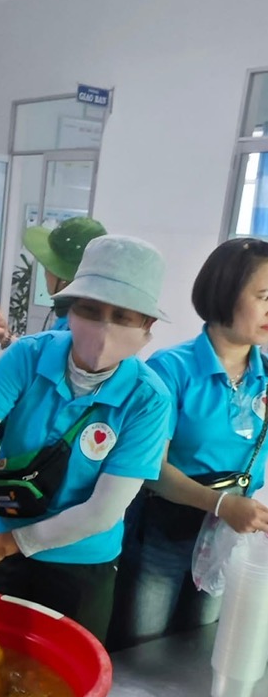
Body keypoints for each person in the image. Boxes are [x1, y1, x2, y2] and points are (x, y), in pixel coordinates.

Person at [0, 235, 171, 644]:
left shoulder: (148, 400)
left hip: (81, 564)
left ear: (146, 327)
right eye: (91, 310)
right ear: (70, 308)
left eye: (122, 316)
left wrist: (9, 544)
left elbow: (102, 511)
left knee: (65, 667)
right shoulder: (28, 357)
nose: (103, 328)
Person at [109, 238, 268, 650]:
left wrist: (232, 511)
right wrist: (220, 504)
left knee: (198, 645)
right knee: (142, 647)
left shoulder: (264, 376)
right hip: (165, 532)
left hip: (227, 538)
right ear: (225, 291)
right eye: (264, 296)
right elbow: (151, 469)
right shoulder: (171, 369)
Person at [0, 215, 107, 349]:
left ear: (63, 278)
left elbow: (45, 359)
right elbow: (41, 353)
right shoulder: (77, 317)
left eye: (47, 267)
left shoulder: (77, 327)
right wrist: (4, 335)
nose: (45, 274)